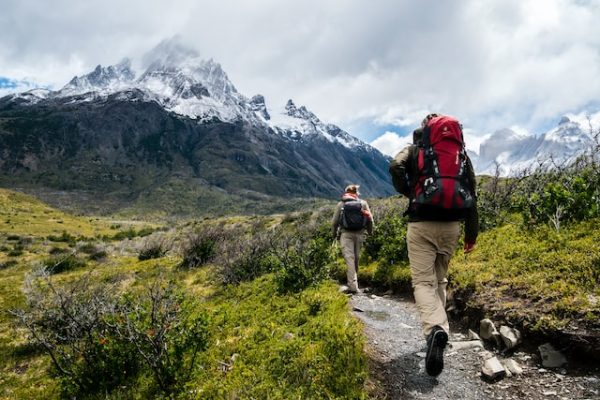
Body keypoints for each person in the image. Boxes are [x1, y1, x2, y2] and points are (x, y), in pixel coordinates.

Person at [389, 113, 478, 377]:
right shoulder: (460, 155)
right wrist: (471, 235)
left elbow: (395, 166)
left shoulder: (416, 149)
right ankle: (440, 332)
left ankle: (435, 330)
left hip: (421, 223)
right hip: (452, 226)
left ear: (425, 130)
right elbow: (472, 192)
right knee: (440, 280)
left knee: (422, 282)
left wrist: (409, 191)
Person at [331, 184, 374, 294]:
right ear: (357, 193)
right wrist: (370, 232)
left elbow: (334, 222)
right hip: (360, 234)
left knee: (349, 258)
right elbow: (370, 220)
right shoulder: (363, 203)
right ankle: (354, 283)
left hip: (346, 234)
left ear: (346, 192)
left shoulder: (341, 204)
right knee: (356, 258)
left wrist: (334, 235)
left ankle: (353, 286)